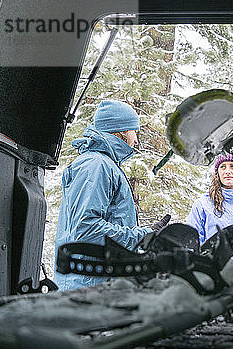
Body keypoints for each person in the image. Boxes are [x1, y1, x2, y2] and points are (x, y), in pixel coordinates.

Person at [53, 100, 170, 291]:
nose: (136, 139)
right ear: (120, 130)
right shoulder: (96, 165)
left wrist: (144, 240)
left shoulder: (105, 165)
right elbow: (86, 230)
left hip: (99, 283)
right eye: (134, 131)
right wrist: (142, 236)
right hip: (87, 287)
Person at [186, 150, 233, 245]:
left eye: (232, 166)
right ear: (218, 173)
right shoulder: (202, 205)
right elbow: (191, 243)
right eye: (223, 167)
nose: (227, 171)